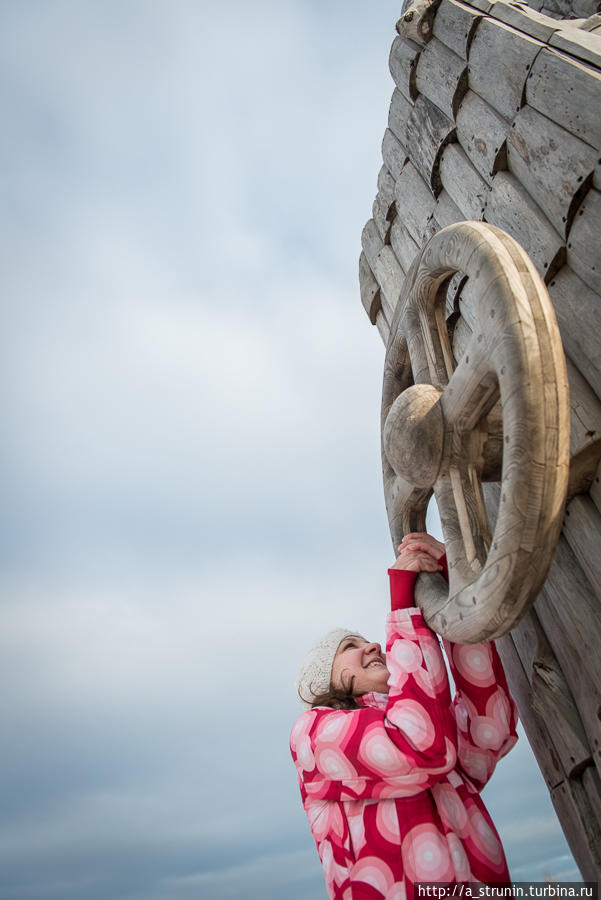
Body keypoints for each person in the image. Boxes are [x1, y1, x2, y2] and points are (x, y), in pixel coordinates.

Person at [290, 532, 518, 899]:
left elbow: (489, 729)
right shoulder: (313, 735)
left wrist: (450, 592)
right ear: (325, 677)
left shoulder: (422, 715)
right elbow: (417, 747)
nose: (373, 645)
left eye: (366, 640)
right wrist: (401, 609)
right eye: (350, 646)